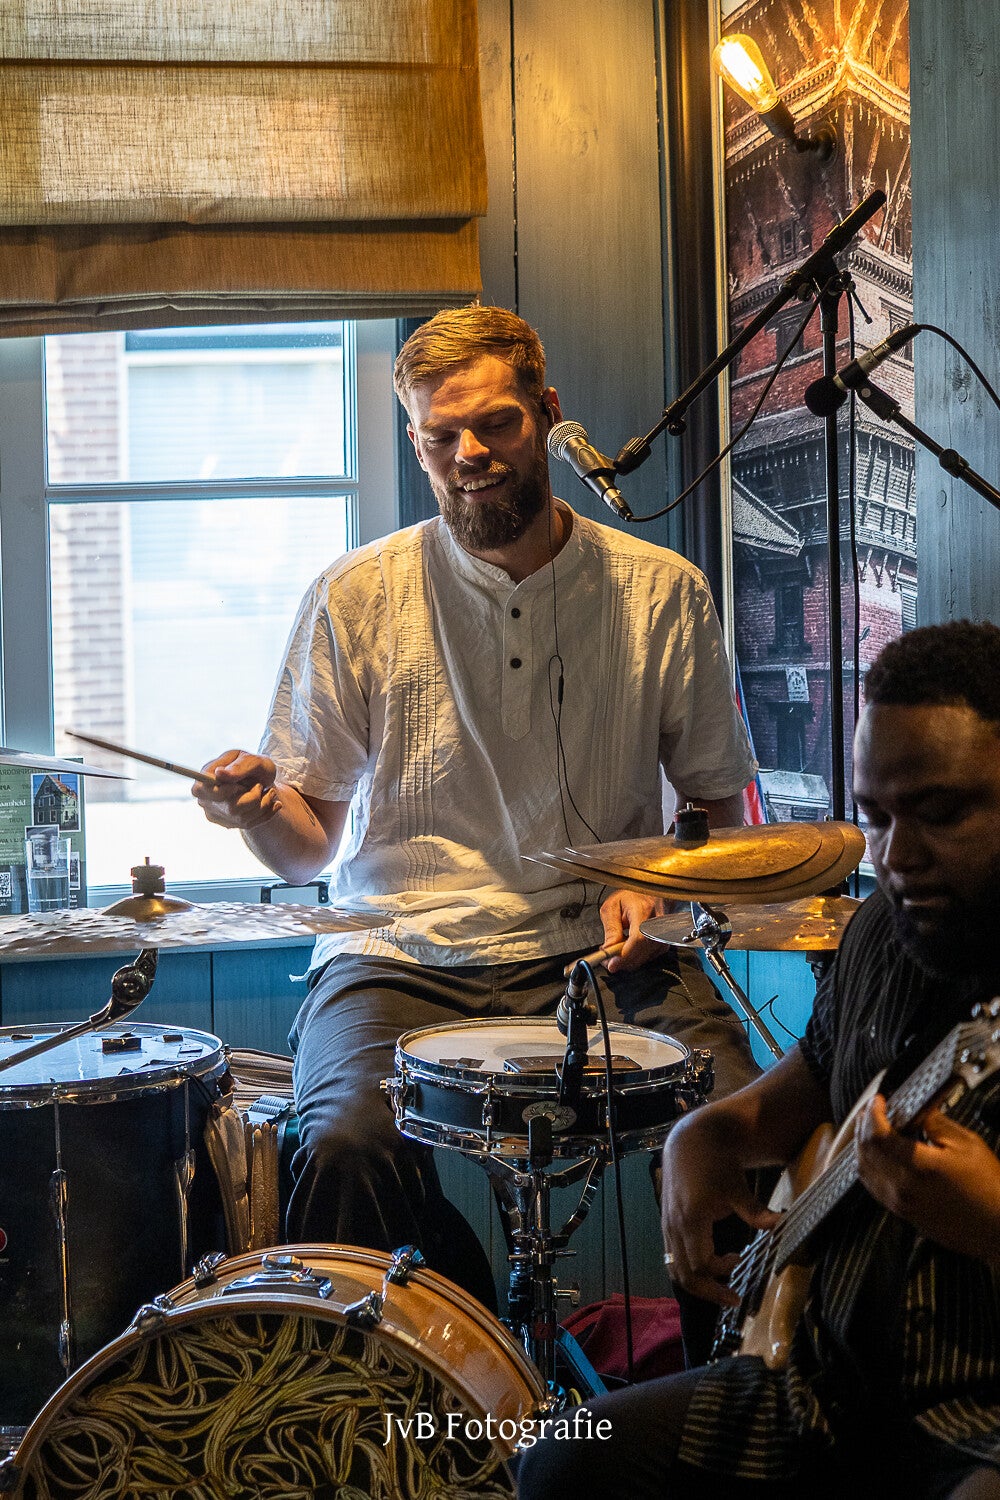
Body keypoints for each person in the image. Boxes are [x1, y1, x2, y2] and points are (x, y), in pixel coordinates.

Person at [193, 304, 760, 1313]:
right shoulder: (355, 595)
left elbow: (719, 811)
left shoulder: (662, 592)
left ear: (545, 413)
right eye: (440, 435)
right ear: (416, 443)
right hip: (396, 955)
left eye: (495, 423)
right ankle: (419, 1382)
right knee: (340, 1143)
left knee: (747, 1124)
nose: (470, 454)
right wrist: (259, 810)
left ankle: (735, 1379)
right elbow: (305, 853)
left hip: (606, 950)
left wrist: (662, 887)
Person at [516, 618, 1000, 1500]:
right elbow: (813, 1081)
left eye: (941, 813)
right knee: (564, 1462)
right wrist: (704, 1136)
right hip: (817, 1389)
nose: (897, 857)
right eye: (877, 818)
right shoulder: (881, 934)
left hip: (976, 1425)